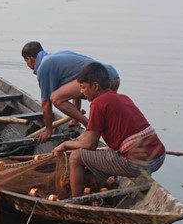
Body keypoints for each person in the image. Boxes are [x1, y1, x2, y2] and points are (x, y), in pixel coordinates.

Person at [53, 62, 166, 197]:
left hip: (137, 163)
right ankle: (92, 192)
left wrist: (65, 145)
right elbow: (90, 132)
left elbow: (90, 145)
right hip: (158, 156)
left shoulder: (98, 103)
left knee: (75, 157)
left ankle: (74, 201)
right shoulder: (122, 97)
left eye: (83, 87)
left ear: (95, 86)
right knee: (92, 164)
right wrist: (77, 141)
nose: (81, 92)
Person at [21, 41, 121, 142]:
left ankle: (90, 126)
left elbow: (46, 103)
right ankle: (79, 122)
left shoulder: (44, 66)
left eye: (26, 61)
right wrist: (75, 120)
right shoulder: (56, 57)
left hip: (100, 80)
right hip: (114, 77)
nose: (27, 65)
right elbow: (74, 88)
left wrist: (48, 130)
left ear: (30, 59)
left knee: (56, 98)